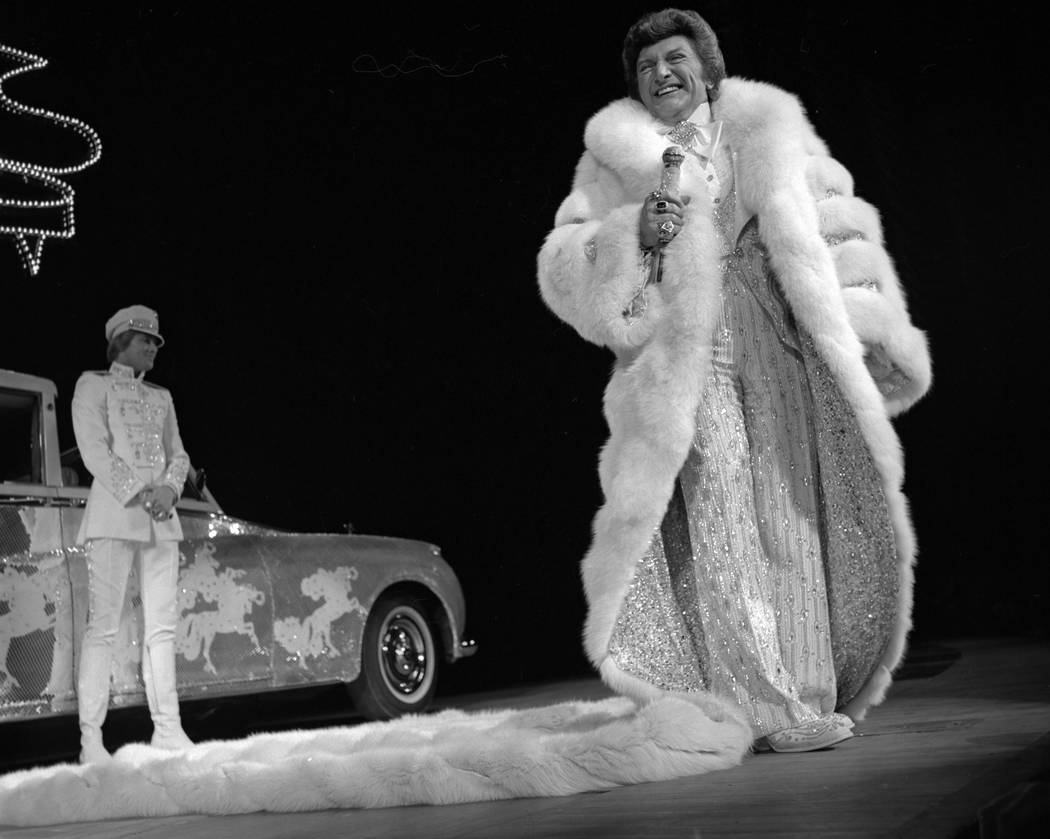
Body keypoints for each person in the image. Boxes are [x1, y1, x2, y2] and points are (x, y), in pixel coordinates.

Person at [537, 9, 931, 752]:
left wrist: (875, 331)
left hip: (778, 328)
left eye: (675, 57)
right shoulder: (612, 160)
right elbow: (567, 265)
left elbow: (840, 228)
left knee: (792, 514)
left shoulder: (771, 129)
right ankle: (763, 707)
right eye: (647, 65)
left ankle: (807, 695)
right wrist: (634, 238)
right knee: (721, 517)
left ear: (707, 67)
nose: (662, 73)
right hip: (690, 345)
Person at [72, 304, 194, 763]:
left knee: (161, 628)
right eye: (147, 341)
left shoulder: (161, 397)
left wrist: (168, 488)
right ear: (122, 340)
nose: (154, 349)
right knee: (102, 627)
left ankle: (168, 729)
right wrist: (142, 492)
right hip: (115, 516)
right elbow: (93, 451)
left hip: (161, 520)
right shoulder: (92, 385)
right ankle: (91, 740)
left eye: (157, 343)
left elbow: (178, 453)